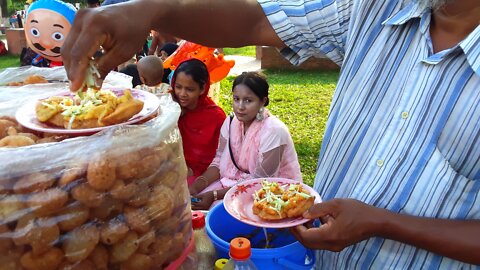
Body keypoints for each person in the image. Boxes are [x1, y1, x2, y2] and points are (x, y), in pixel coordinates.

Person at [60, 0, 480, 267]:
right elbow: (258, 17)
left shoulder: (270, 131)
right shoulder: (377, 8)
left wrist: (385, 224)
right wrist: (151, 8)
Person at [189, 71, 302, 210]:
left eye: (248, 100)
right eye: (236, 99)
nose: (240, 106)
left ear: (263, 101)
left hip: (273, 193)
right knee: (191, 204)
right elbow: (218, 161)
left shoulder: (274, 131)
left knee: (221, 213)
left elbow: (261, 183)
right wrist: (196, 186)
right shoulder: (230, 122)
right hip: (234, 184)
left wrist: (214, 195)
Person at [170, 58, 226, 185]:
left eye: (189, 89)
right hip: (174, 167)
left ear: (202, 89)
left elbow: (221, 157)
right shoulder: (170, 108)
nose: (182, 94)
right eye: (178, 87)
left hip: (205, 175)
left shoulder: (216, 117)